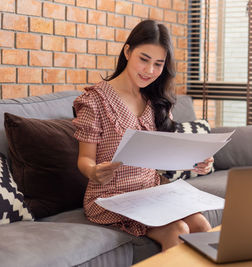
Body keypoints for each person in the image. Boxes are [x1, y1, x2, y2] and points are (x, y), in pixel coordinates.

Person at [72, 19, 213, 251]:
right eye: (144, 59)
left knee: (200, 223)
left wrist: (197, 162)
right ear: (128, 52)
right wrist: (94, 171)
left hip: (150, 191)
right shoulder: (95, 100)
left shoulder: (155, 100)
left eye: (158, 64)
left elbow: (165, 153)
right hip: (110, 197)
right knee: (179, 230)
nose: (149, 71)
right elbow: (84, 159)